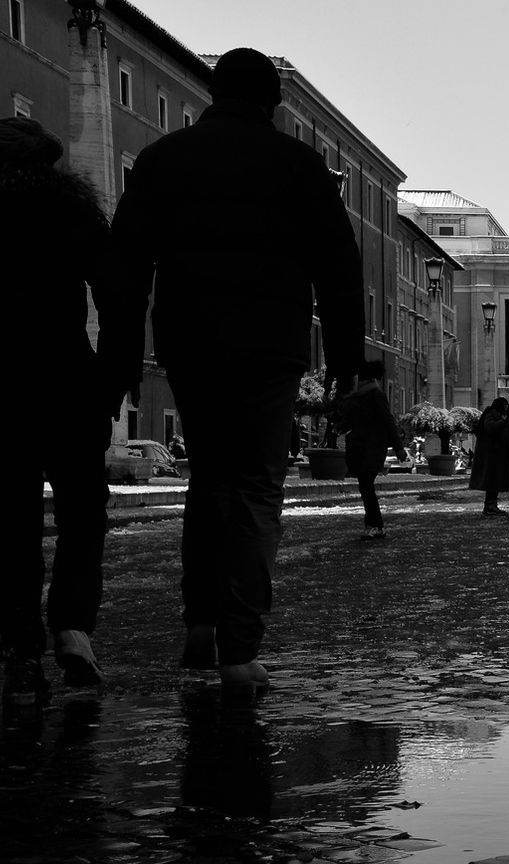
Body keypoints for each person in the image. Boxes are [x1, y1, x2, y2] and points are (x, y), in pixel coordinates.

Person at [109, 48, 364, 696]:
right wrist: (346, 359)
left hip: (191, 343)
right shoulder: (299, 165)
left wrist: (119, 355)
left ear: (211, 94)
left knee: (210, 482)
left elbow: (127, 264)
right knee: (255, 489)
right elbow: (340, 270)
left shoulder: (165, 159)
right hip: (271, 348)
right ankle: (239, 647)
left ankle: (200, 619)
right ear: (273, 103)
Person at [1, 116, 116, 703]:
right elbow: (116, 291)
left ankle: (20, 638)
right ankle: (72, 627)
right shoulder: (72, 211)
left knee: (12, 519)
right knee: (82, 513)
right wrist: (116, 372)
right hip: (68, 378)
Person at [341, 360, 405, 540]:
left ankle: (375, 525)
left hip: (371, 449)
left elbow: (388, 421)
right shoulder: (358, 397)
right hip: (362, 448)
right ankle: (374, 525)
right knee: (365, 487)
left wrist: (399, 448)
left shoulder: (374, 396)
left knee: (366, 487)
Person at [468, 396, 509, 515]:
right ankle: (490, 506)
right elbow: (491, 427)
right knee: (492, 480)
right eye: (505, 406)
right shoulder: (492, 414)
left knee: (494, 480)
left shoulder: (494, 414)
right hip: (491, 454)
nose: (506, 408)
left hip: (493, 453)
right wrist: (504, 421)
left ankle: (491, 505)